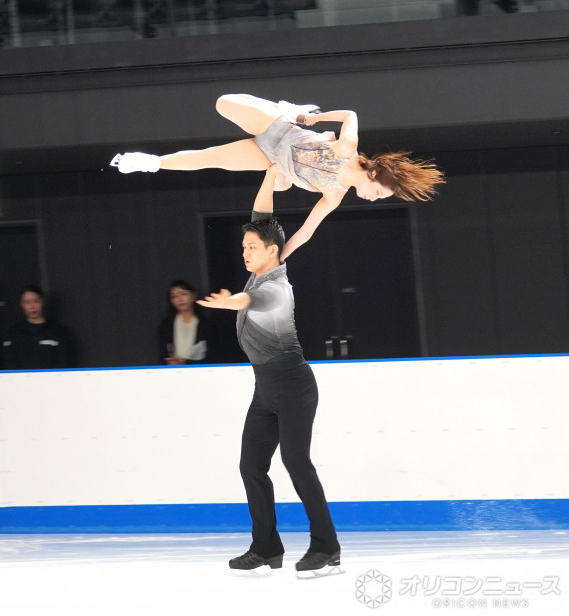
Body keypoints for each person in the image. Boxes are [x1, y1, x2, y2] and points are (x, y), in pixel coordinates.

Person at [197, 165, 341, 577]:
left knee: (297, 463)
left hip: (293, 384)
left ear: (272, 251)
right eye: (243, 246)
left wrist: (230, 302)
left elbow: (250, 302)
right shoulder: (261, 271)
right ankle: (265, 548)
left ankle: (327, 547)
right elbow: (262, 213)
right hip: (266, 388)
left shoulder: (275, 288)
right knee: (251, 465)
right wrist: (272, 169)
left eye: (252, 247)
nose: (245, 252)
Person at [111, 93, 444, 260]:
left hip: (270, 157)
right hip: (279, 127)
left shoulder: (334, 196)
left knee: (210, 159)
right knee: (223, 102)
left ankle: (150, 162)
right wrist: (311, 118)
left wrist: (278, 257)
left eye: (379, 198)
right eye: (379, 192)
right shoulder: (347, 149)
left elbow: (305, 233)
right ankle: (287, 108)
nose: (374, 198)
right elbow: (351, 115)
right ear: (372, 173)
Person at [3, 285, 71, 370]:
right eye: (27, 302)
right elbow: (9, 362)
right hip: (20, 378)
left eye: (36, 301)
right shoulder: (13, 333)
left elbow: (63, 362)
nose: (32, 306)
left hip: (51, 377)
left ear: (42, 302)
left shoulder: (57, 331)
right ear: (21, 304)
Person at [157, 279, 218, 365]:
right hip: (172, 371)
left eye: (183, 294)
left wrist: (184, 362)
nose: (180, 299)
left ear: (193, 295)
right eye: (174, 296)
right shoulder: (166, 326)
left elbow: (213, 356)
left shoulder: (206, 326)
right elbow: (163, 354)